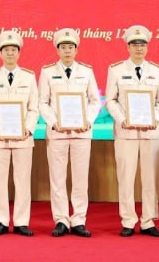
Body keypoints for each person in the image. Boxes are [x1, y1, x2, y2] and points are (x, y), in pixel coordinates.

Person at [105, 25, 159, 237]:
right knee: (126, 176)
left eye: (142, 44)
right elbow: (110, 100)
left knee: (150, 177)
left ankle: (148, 221)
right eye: (135, 44)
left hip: (150, 131)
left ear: (147, 47)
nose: (139, 48)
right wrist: (123, 119)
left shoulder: (156, 71)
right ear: (128, 47)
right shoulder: (116, 69)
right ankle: (128, 220)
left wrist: (156, 117)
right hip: (126, 132)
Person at [39, 28, 101, 238]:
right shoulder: (47, 71)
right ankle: (61, 220)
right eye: (63, 47)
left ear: (76, 49)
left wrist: (87, 120)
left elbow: (94, 100)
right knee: (57, 178)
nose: (67, 50)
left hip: (81, 133)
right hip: (57, 133)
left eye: (71, 47)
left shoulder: (86, 71)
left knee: (80, 178)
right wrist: (54, 122)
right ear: (57, 49)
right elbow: (42, 102)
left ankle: (79, 220)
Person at [0, 31, 39, 237]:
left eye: (14, 50)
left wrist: (28, 128)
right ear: (0, 53)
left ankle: (22, 221)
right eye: (6, 50)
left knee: (23, 180)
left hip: (23, 138)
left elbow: (34, 107)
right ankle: (1, 220)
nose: (10, 53)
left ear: (19, 53)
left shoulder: (29, 77)